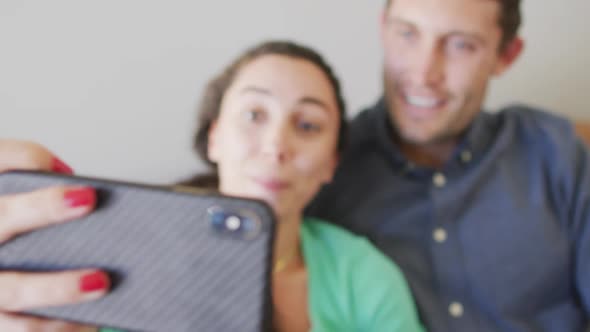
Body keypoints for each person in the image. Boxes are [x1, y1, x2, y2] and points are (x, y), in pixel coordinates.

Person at [0, 41, 424, 332]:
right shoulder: (126, 258)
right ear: (216, 136)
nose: (276, 145)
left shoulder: (363, 275)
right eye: (255, 114)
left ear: (331, 163)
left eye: (308, 125)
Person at [306, 0, 590, 331]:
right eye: (408, 34)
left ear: (506, 55)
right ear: (383, 29)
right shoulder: (322, 172)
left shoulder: (555, 153)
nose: (424, 74)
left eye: (460, 45)